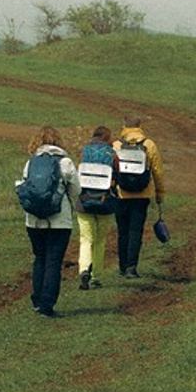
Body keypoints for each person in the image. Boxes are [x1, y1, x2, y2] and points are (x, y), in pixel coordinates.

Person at [19, 126, 81, 317]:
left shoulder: (31, 163)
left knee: (39, 258)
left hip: (34, 220)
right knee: (54, 261)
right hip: (59, 221)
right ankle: (47, 304)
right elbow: (76, 191)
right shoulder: (66, 163)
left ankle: (37, 300)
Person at [113, 115, 166, 278]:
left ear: (124, 126)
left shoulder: (116, 145)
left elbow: (112, 169)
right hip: (142, 195)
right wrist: (160, 193)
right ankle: (131, 267)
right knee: (136, 231)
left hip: (121, 194)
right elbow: (157, 171)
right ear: (140, 126)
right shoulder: (149, 145)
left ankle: (122, 267)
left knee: (122, 231)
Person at [75, 125, 118, 290]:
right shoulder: (112, 154)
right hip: (105, 202)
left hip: (84, 202)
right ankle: (95, 276)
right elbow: (118, 176)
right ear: (108, 138)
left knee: (86, 239)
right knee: (100, 240)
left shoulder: (85, 151)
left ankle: (84, 269)